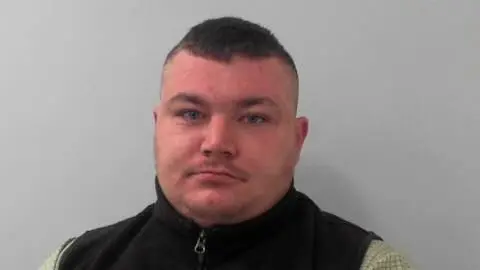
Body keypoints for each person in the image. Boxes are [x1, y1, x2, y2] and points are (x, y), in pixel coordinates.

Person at [40, 16, 413, 270]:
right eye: (190, 114)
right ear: (158, 127)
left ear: (297, 139)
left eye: (254, 118)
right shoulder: (73, 262)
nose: (217, 143)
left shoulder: (369, 265)